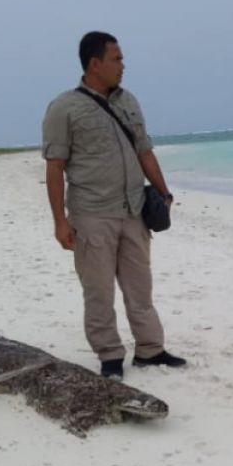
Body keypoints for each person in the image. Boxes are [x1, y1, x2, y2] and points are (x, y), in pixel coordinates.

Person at [41, 31, 187, 378]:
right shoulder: (64, 108)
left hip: (134, 211)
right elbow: (54, 167)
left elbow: (144, 150)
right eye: (117, 59)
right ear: (95, 64)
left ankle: (151, 350)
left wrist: (164, 194)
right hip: (92, 215)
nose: (123, 65)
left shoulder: (129, 101)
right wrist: (60, 221)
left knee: (141, 288)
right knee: (98, 291)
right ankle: (109, 356)